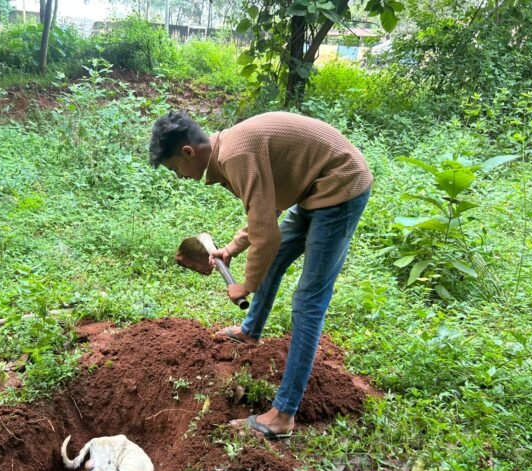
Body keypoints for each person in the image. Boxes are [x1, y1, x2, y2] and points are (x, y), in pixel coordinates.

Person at [149, 110, 372, 439]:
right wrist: (231, 249)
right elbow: (265, 210)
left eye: (175, 169)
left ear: (188, 152)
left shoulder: (235, 155)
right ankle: (250, 331)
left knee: (308, 300)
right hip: (312, 188)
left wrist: (246, 286)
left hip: (338, 187)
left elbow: (266, 236)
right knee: (274, 260)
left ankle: (283, 416)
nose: (180, 177)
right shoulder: (229, 153)